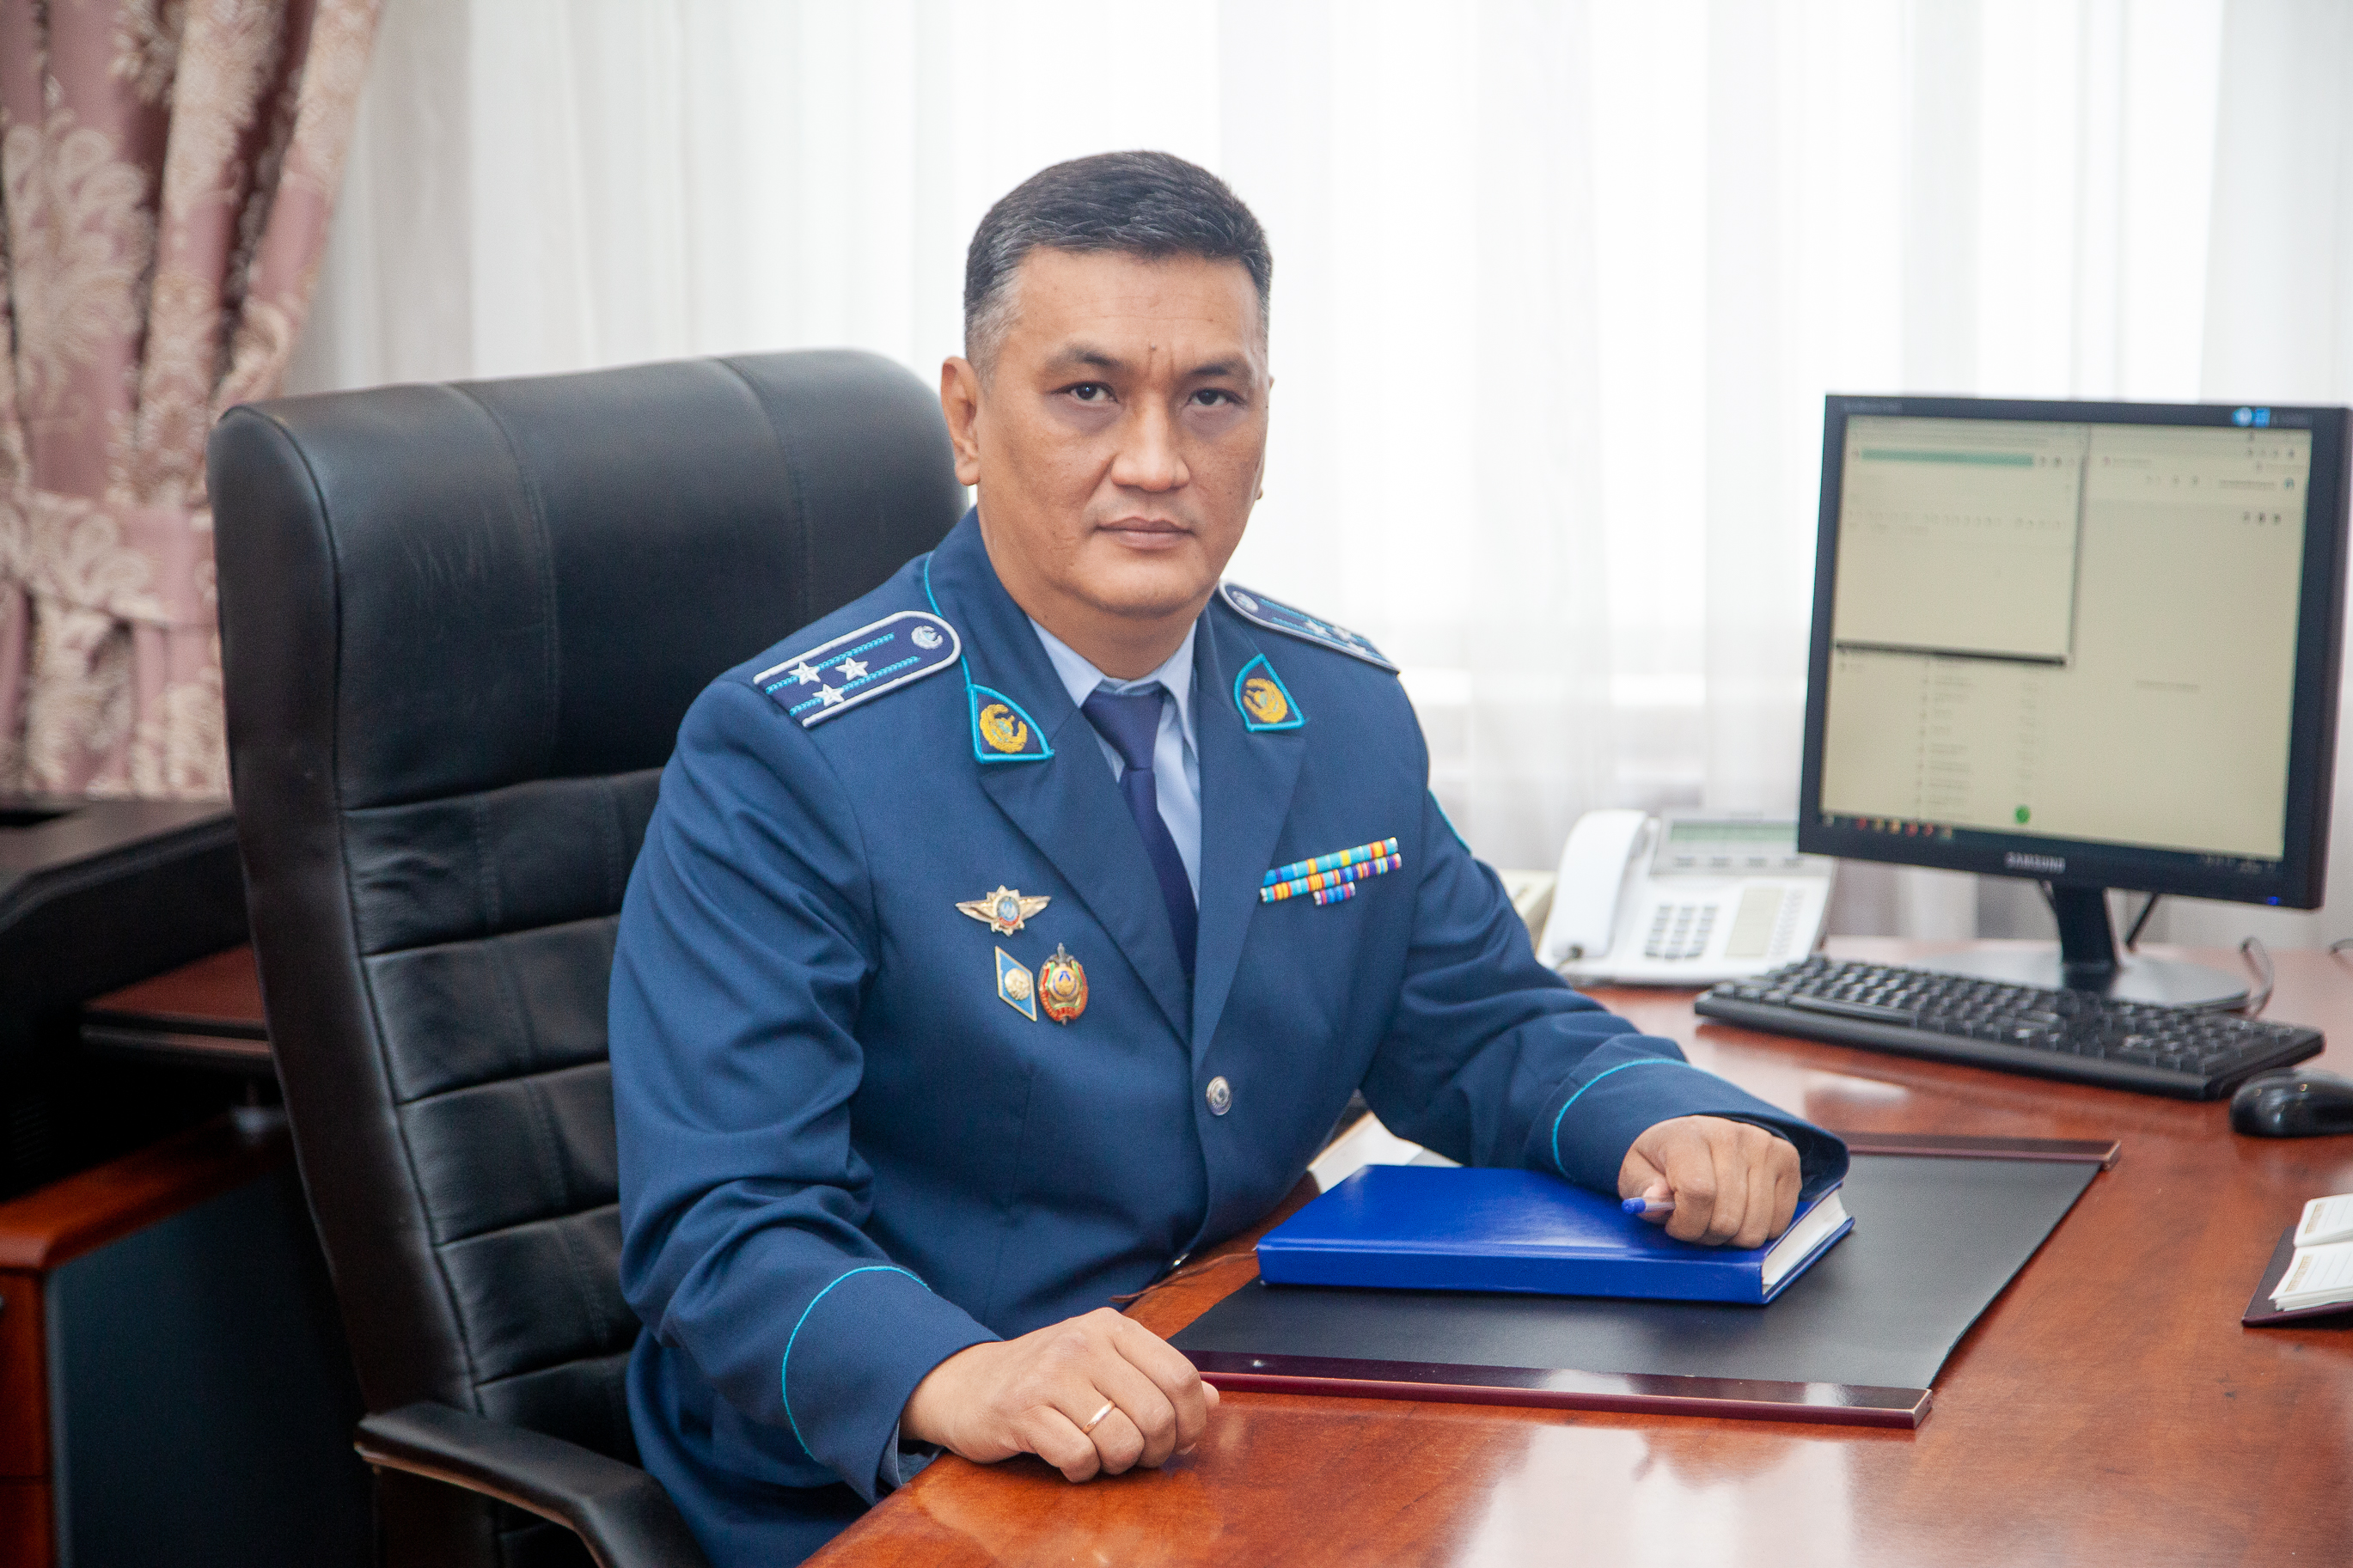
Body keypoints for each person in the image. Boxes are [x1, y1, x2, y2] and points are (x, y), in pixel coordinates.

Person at [610, 149, 1845, 1568]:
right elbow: (725, 1223)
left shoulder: (1335, 707)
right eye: (1087, 393)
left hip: (1237, 1400)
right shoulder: (795, 753)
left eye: (1211, 396)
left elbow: (1478, 1022)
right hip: (901, 1477)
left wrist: (1663, 1122)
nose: (1155, 461)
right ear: (966, 418)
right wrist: (962, 1373)